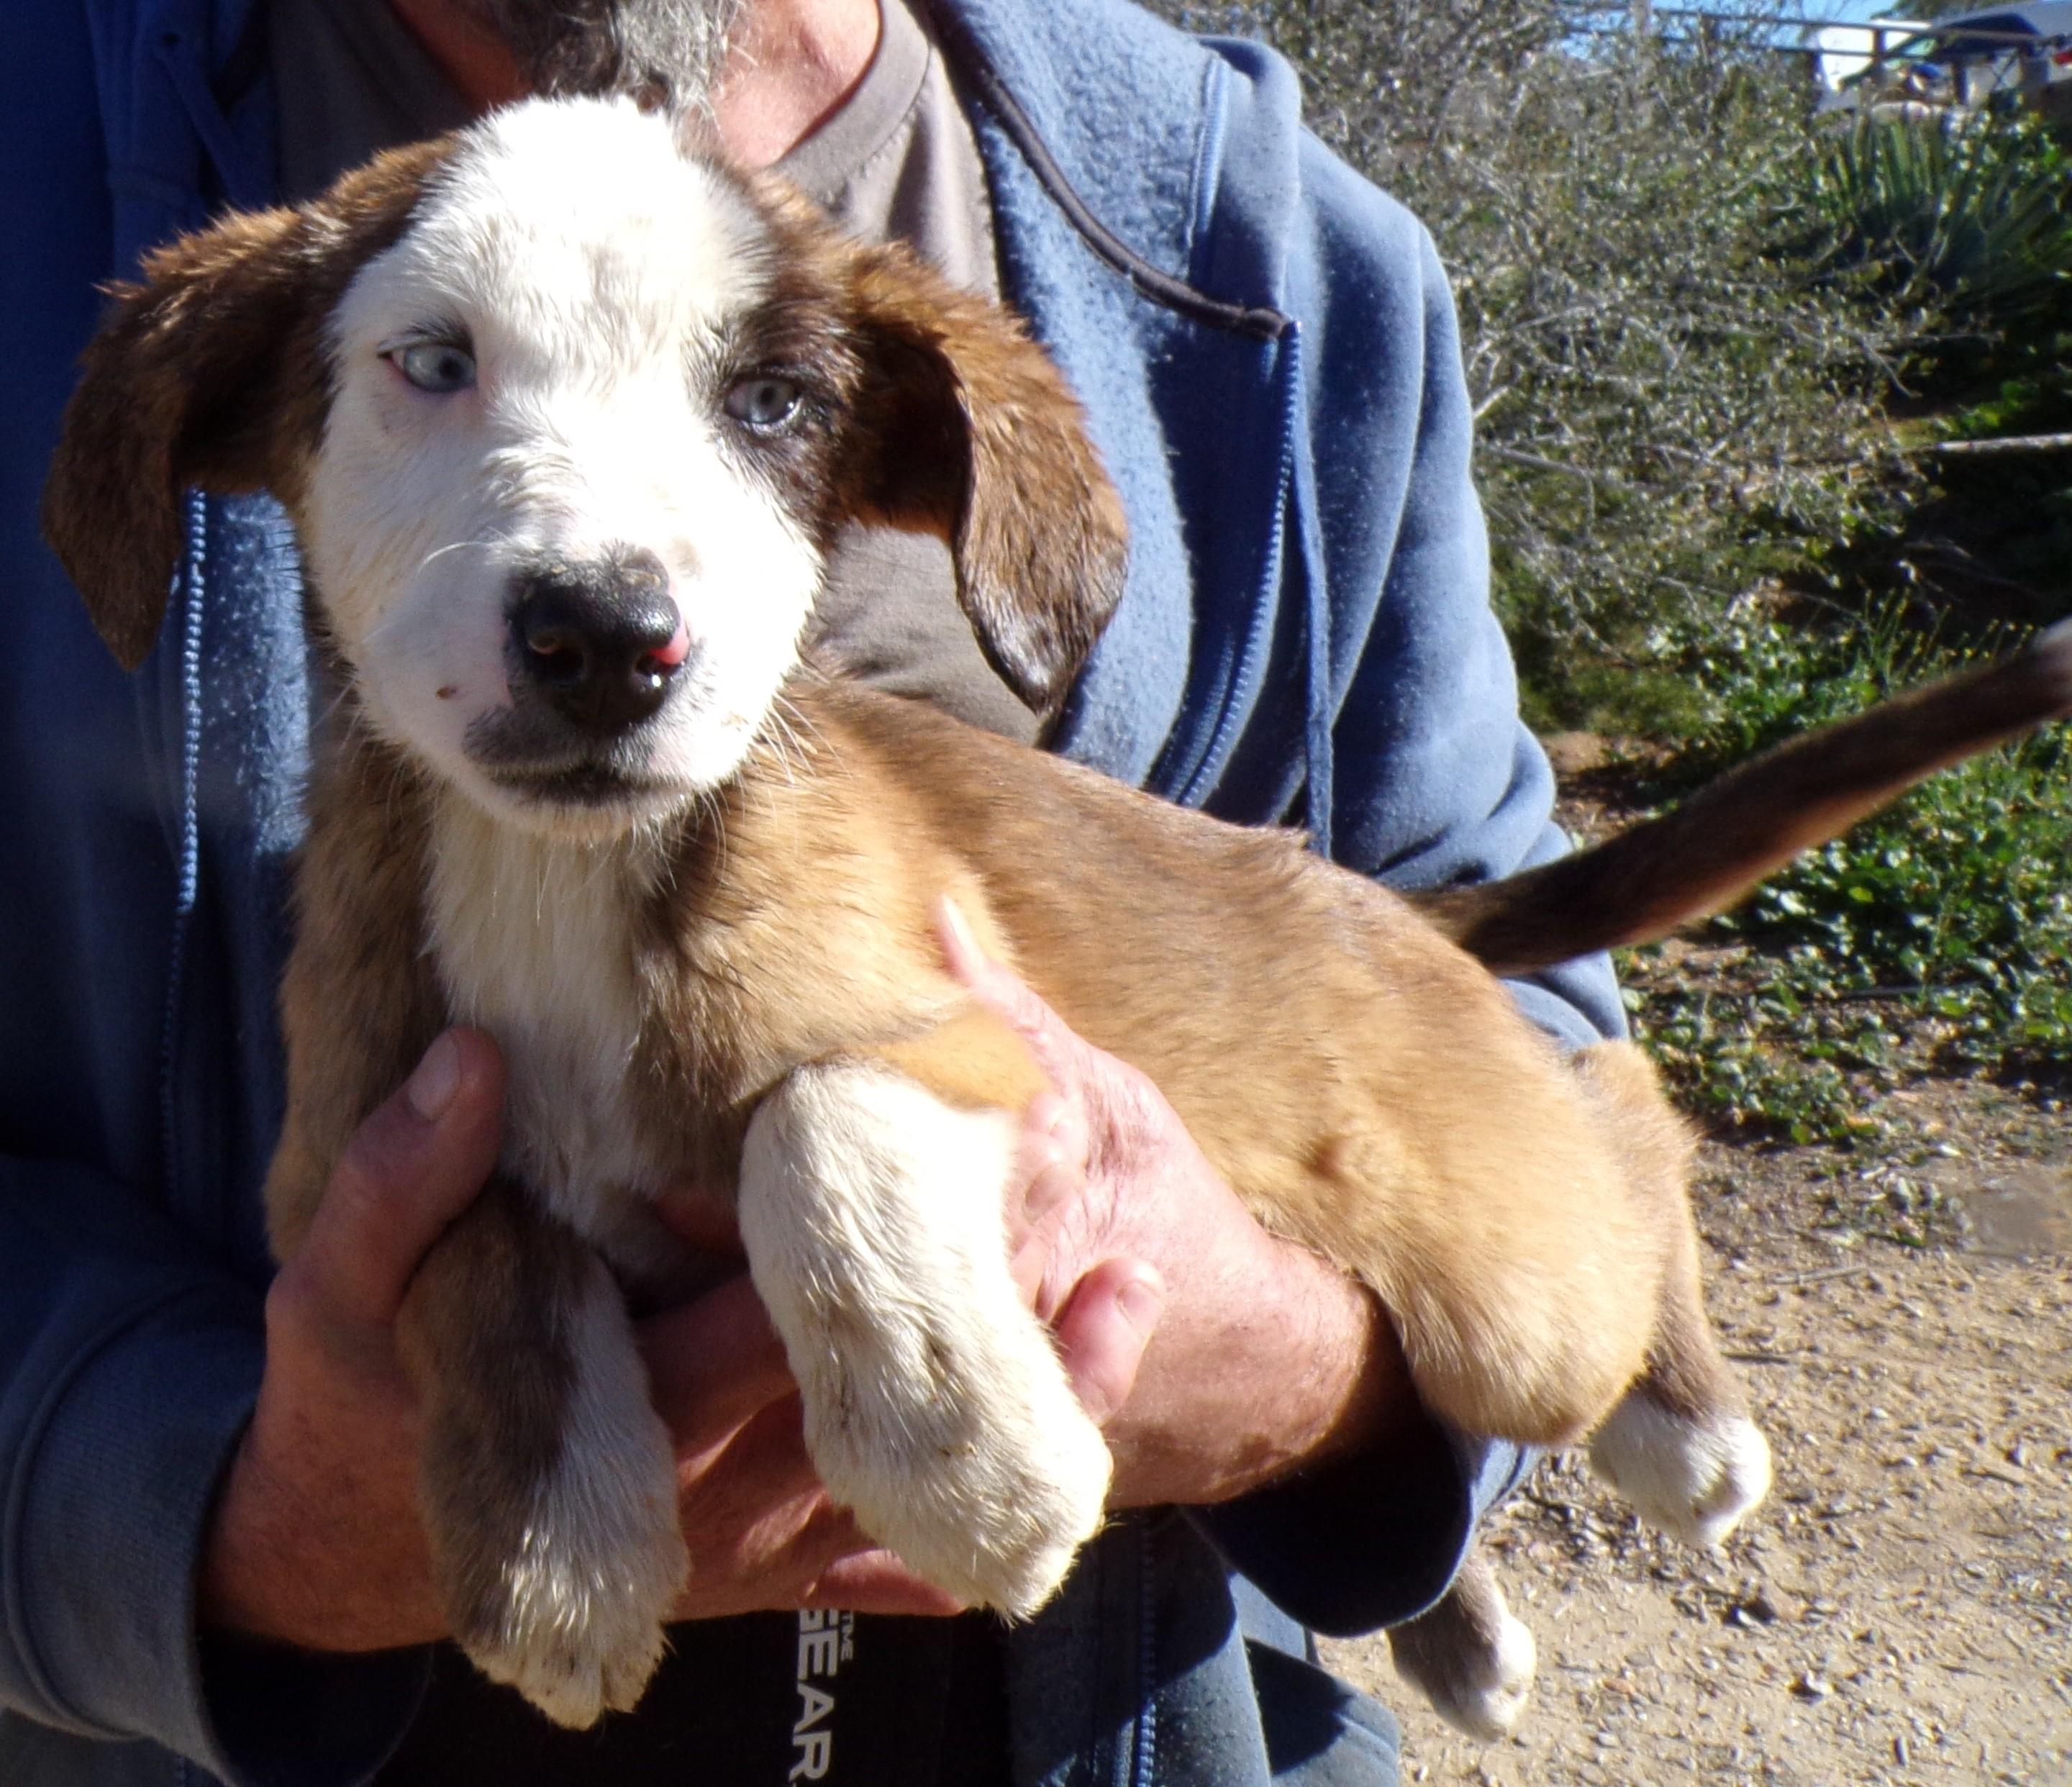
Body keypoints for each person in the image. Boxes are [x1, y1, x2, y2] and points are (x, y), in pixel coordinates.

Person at [0, 1, 1625, 1783]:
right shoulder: (66, 151)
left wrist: (1291, 1369)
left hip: (1101, 1717)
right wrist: (202, 1524)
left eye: (763, 405)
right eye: (435, 370)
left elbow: (1507, 1015)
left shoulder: (1285, 255)